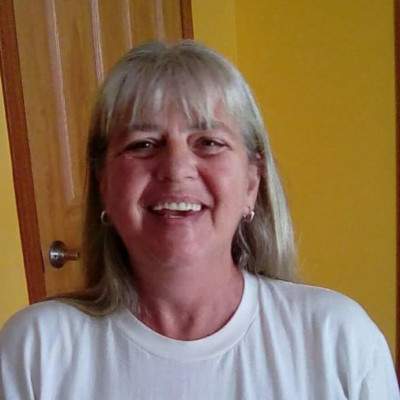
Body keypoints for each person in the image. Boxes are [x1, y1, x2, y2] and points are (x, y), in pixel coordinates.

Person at [0, 40, 398, 399]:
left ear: (252, 182)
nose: (176, 170)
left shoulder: (337, 339)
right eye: (143, 144)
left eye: (209, 142)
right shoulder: (35, 352)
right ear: (103, 183)